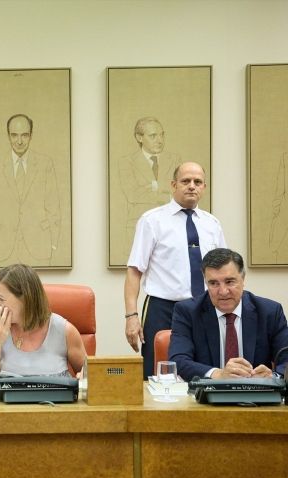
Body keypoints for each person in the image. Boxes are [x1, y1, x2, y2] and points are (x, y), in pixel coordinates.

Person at [125, 162, 227, 378]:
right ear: (173, 185)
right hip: (163, 308)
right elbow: (134, 270)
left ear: (204, 187)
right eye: (185, 181)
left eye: (197, 182)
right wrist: (131, 316)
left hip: (204, 308)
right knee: (157, 372)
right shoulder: (152, 220)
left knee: (205, 371)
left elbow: (224, 271)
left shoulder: (212, 224)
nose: (192, 186)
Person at [169, 248, 288, 381]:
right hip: (208, 392)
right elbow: (178, 361)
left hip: (258, 391)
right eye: (213, 283)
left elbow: (286, 359)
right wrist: (217, 374)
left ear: (243, 279)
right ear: (206, 282)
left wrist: (273, 377)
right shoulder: (187, 312)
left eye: (230, 282)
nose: (223, 291)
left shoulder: (269, 312)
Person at [0, 114, 61, 267]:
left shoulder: (45, 164)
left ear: (31, 135)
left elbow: (53, 206)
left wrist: (53, 243)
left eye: (24, 135)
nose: (19, 141)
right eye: (14, 135)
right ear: (8, 136)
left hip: (38, 245)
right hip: (2, 246)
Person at [0, 264, 86, 377]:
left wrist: (84, 377)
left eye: (1, 298)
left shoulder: (65, 331)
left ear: (26, 299)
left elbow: (90, 376)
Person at [117, 117, 182, 254]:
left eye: (162, 135)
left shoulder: (175, 159)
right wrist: (165, 191)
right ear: (139, 137)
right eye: (153, 136)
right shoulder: (126, 162)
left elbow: (180, 192)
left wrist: (151, 186)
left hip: (171, 226)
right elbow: (132, 195)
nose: (160, 140)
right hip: (138, 227)